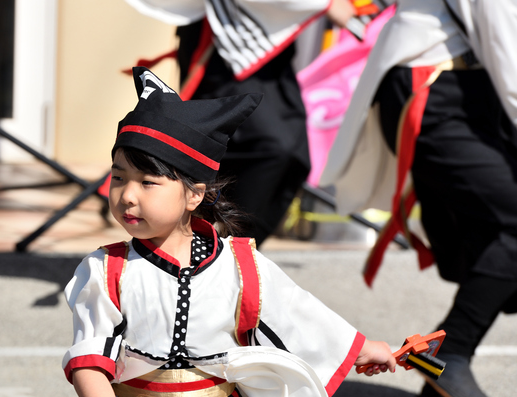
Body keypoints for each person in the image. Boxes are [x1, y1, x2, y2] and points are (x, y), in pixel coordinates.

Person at [63, 67, 397, 397]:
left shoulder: (241, 263)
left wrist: (364, 347)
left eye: (148, 182)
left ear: (194, 194)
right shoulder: (106, 270)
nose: (127, 196)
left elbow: (299, 315)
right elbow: (88, 363)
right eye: (119, 178)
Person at [321, 0, 517, 397]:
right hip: (437, 88)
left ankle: (440, 371)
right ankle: (448, 359)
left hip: (466, 90)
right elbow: (509, 47)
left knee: (497, 238)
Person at [122, 0, 359, 245]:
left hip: (270, 42)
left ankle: (233, 248)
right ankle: (205, 243)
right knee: (267, 146)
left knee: (293, 157)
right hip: (226, 41)